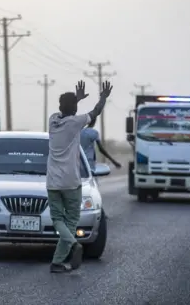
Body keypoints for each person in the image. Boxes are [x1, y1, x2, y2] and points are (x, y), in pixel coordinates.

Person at [47, 80, 112, 273]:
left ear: (59, 107)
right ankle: (72, 246)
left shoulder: (52, 120)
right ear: (75, 109)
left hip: (52, 181)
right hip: (71, 181)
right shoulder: (75, 122)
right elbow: (95, 113)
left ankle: (57, 262)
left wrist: (76, 99)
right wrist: (103, 97)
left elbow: (67, 107)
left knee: (58, 219)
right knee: (71, 221)